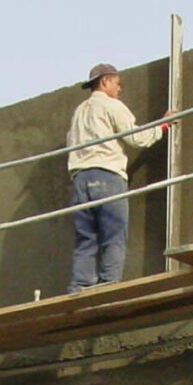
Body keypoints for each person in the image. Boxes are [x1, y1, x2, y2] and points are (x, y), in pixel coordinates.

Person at [65, 62, 172, 294]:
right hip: (106, 176)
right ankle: (108, 286)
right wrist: (163, 126)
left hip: (80, 179)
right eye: (117, 83)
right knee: (114, 235)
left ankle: (80, 287)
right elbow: (137, 138)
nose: (120, 89)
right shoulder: (110, 105)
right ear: (105, 81)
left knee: (86, 239)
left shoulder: (79, 112)